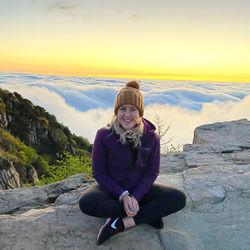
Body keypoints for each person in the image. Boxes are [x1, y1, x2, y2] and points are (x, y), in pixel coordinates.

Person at [79, 80, 186, 245]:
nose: (127, 115)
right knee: (87, 203)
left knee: (178, 198)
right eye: (122, 109)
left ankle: (121, 223)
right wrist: (123, 195)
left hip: (140, 192)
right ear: (116, 111)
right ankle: (148, 214)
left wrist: (135, 196)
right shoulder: (104, 135)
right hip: (113, 191)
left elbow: (152, 172)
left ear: (140, 112)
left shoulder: (151, 137)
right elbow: (99, 173)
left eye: (133, 109)